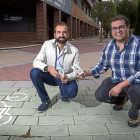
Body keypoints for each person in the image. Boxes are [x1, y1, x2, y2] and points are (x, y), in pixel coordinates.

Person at [79, 15, 140, 127]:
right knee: (100, 95)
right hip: (117, 80)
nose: (118, 31)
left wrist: (121, 85)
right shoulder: (109, 46)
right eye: (114, 28)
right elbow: (101, 66)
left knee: (137, 92)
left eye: (121, 27)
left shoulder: (138, 43)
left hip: (136, 83)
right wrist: (86, 73)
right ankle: (121, 100)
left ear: (128, 27)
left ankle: (134, 113)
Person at [30, 22, 80, 113]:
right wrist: (48, 68)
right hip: (49, 75)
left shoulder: (74, 50)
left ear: (68, 34)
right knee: (34, 72)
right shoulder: (47, 44)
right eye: (59, 32)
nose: (61, 35)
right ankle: (45, 100)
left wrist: (68, 77)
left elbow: (77, 70)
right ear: (54, 34)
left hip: (64, 77)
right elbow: (36, 61)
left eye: (64, 32)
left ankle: (64, 92)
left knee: (72, 92)